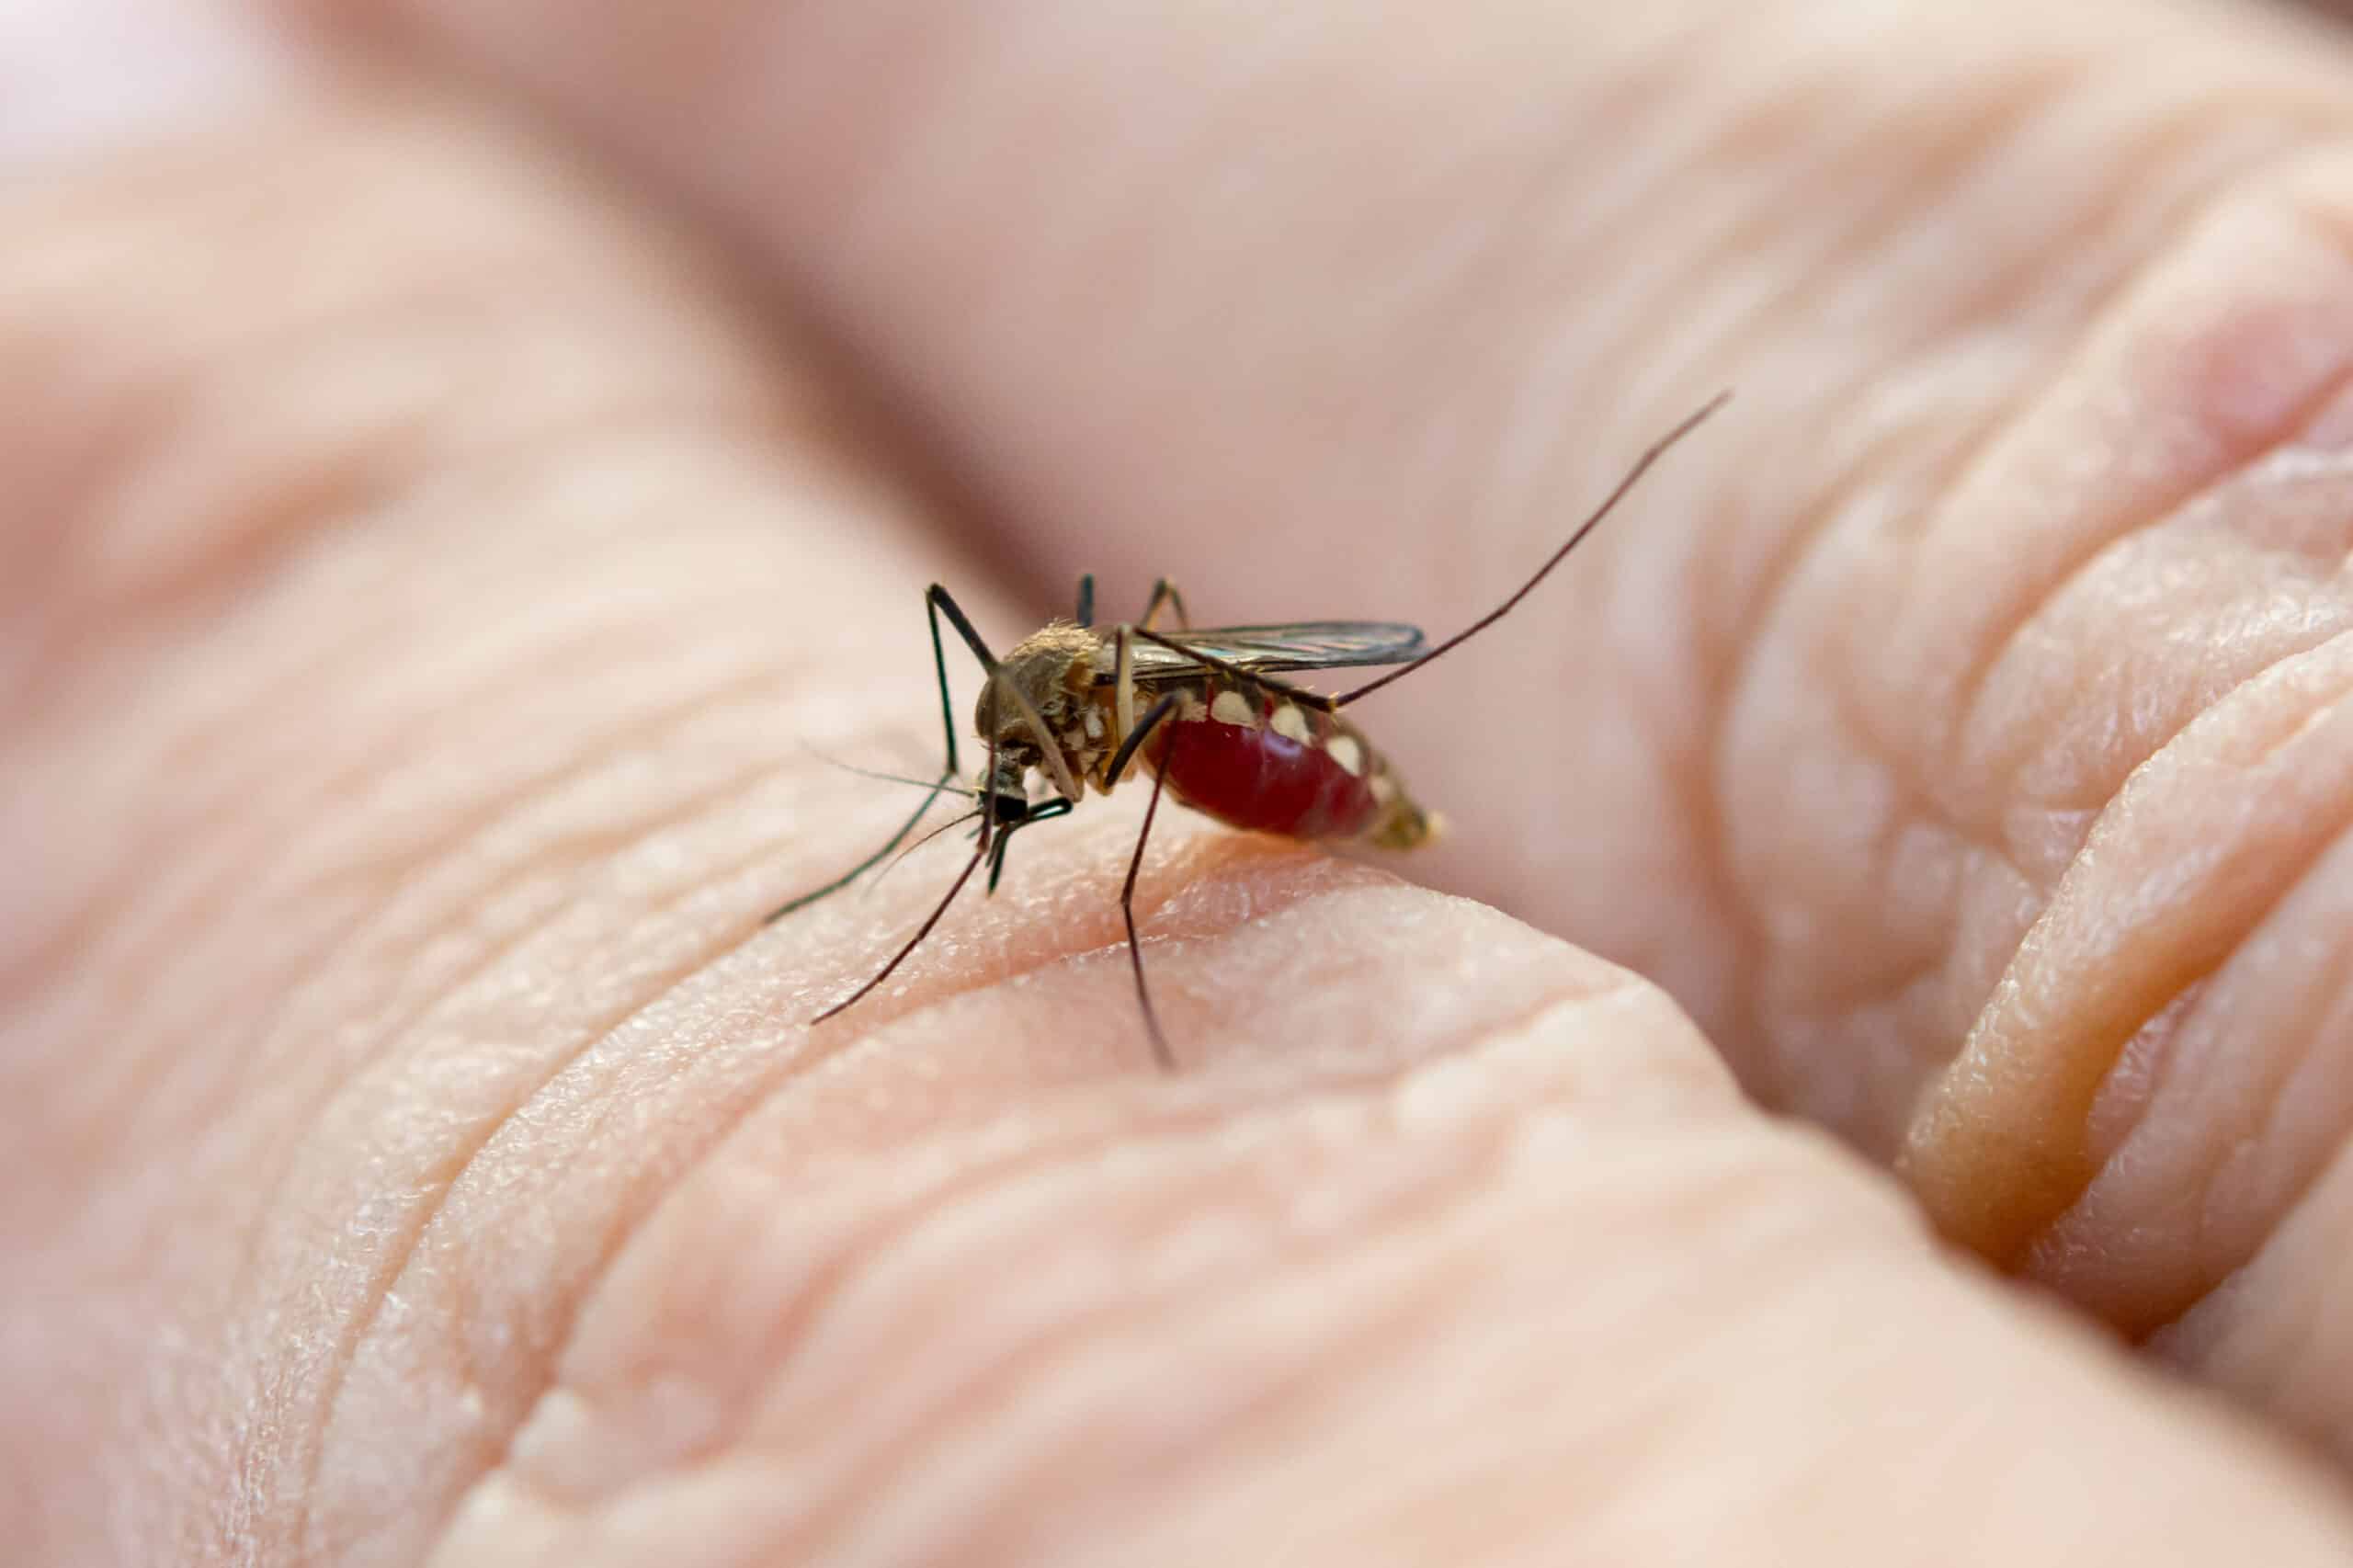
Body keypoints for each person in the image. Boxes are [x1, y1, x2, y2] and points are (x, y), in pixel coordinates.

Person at [11, 0, 2353, 1561]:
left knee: (1152, 751)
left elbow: (1120, 722)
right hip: (1152, 708)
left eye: (1020, 763)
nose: (1006, 783)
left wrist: (1132, 815)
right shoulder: (1027, 715)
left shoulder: (1127, 726)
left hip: (1258, 722)